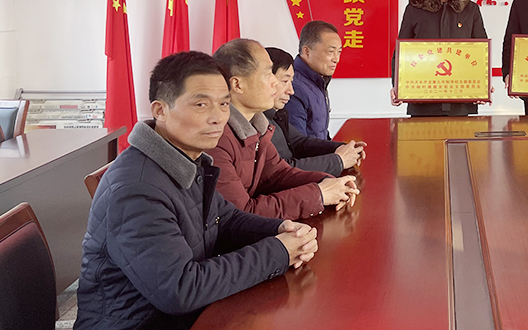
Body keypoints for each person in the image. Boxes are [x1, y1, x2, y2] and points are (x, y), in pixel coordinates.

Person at [75, 51, 318, 330]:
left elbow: (225, 220)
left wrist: (281, 230)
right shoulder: (137, 189)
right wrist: (278, 252)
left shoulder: (187, 159)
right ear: (160, 111)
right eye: (201, 104)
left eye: (224, 104)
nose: (218, 118)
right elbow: (181, 289)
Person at [210, 39, 359, 220]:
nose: (275, 82)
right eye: (268, 74)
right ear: (237, 85)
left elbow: (279, 174)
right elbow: (241, 214)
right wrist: (319, 194)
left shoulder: (257, 125)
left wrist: (327, 182)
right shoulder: (216, 138)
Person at [391, 0, 488, 116]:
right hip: (423, 100)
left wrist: (484, 84)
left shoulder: (470, 9)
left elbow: (481, 50)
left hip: (461, 101)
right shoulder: (414, 10)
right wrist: (397, 85)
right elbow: (401, 51)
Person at [265, 47, 365, 175]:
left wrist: (342, 148)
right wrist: (338, 160)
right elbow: (281, 170)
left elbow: (298, 142)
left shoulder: (275, 113)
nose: (291, 91)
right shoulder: (255, 120)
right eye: (285, 81)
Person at [286, 20, 341, 140]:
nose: (336, 59)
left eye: (339, 52)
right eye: (331, 52)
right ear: (306, 51)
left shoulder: (318, 81)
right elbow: (297, 144)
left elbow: (320, 133)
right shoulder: (294, 87)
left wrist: (338, 148)